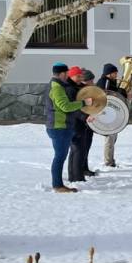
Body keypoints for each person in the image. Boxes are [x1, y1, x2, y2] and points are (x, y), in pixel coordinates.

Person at [44, 62, 90, 193]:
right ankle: (58, 185)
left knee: (61, 156)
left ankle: (58, 184)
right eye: (66, 73)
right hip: (59, 127)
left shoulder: (58, 85)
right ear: (62, 73)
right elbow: (65, 106)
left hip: (61, 126)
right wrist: (83, 103)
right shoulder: (57, 87)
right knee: (59, 157)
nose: (67, 75)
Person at [67, 68, 96, 183]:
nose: (80, 79)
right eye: (78, 76)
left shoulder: (76, 87)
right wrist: (85, 117)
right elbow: (73, 108)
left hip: (79, 122)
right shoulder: (70, 89)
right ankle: (77, 177)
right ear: (72, 76)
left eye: (81, 76)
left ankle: (75, 176)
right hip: (75, 123)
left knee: (78, 150)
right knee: (77, 150)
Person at [96, 62, 125, 168]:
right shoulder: (104, 82)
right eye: (115, 73)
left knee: (112, 138)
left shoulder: (111, 82)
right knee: (110, 137)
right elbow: (107, 95)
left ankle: (110, 160)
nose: (116, 75)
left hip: (112, 113)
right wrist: (119, 92)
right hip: (106, 113)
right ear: (109, 73)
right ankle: (108, 162)